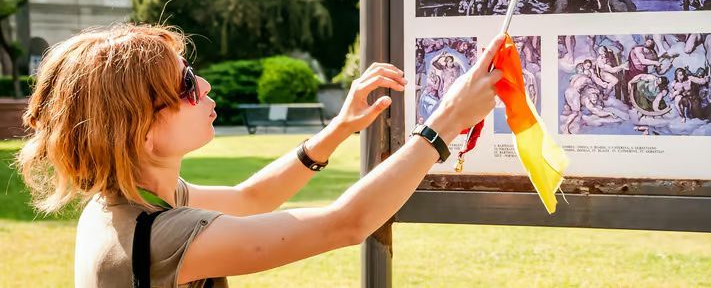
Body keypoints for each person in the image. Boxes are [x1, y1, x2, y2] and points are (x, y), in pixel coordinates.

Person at [16, 24, 505, 287]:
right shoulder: (159, 236)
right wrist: (444, 125)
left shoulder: (130, 203)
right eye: (186, 84)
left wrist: (336, 130)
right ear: (140, 132)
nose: (203, 85)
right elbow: (347, 223)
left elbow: (250, 197)